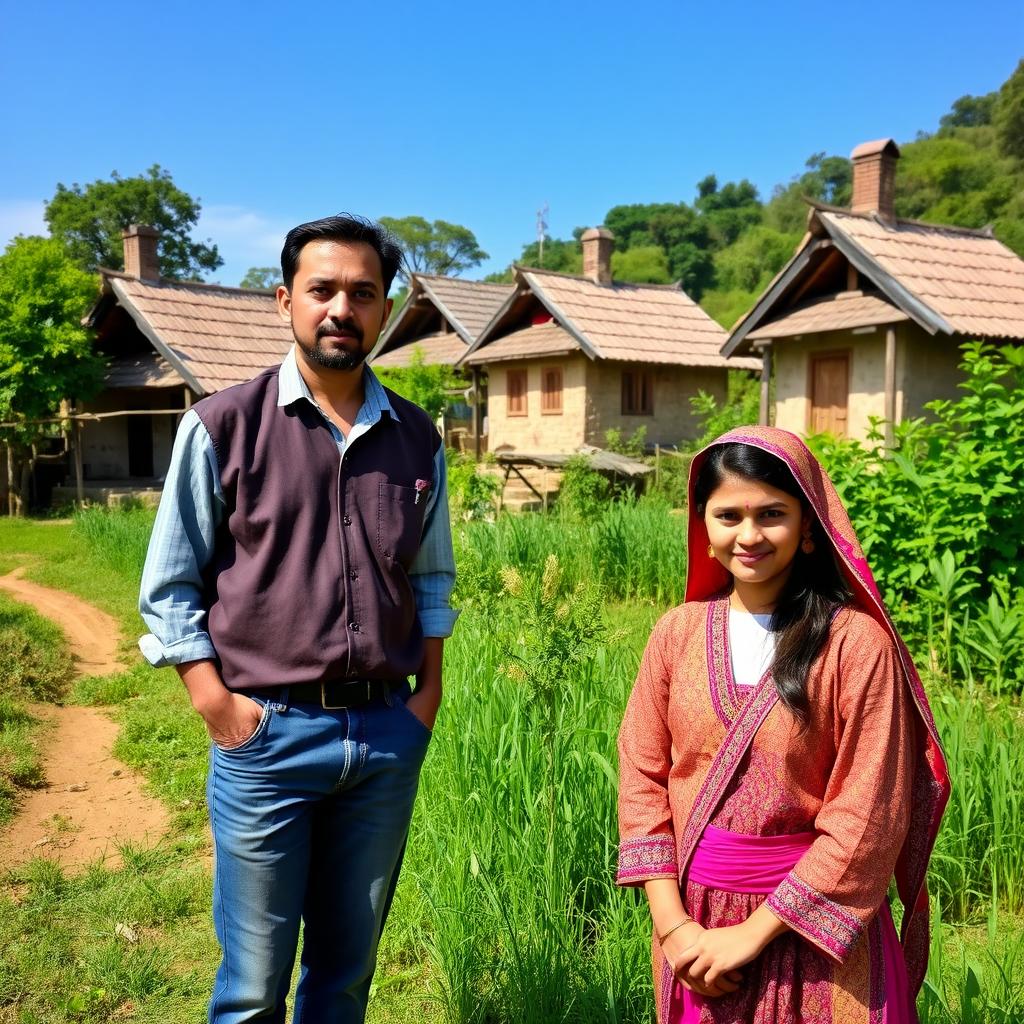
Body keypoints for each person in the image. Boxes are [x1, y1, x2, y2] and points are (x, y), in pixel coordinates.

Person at [138, 214, 457, 1023]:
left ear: (386, 310)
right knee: (253, 986)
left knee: (345, 975)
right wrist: (219, 705)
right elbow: (171, 587)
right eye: (322, 290)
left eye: (362, 292)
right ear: (285, 301)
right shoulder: (220, 427)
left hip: (384, 738)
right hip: (266, 740)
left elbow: (430, 579)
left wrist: (428, 698)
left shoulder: (418, 439)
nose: (340, 308)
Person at [616, 426, 949, 1024]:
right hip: (697, 932)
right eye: (728, 516)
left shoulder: (855, 645)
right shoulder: (676, 634)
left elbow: (868, 812)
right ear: (704, 528)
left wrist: (752, 934)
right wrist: (674, 931)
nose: (749, 536)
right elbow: (643, 778)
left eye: (772, 514)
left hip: (820, 932)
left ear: (808, 529)